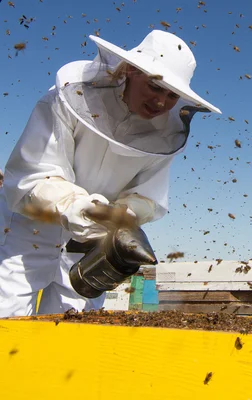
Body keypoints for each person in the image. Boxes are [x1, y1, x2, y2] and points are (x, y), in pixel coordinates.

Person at [0, 30, 221, 318]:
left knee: (72, 332)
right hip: (30, 230)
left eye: (171, 95)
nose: (162, 103)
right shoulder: (67, 98)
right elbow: (36, 174)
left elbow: (148, 196)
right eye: (156, 87)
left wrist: (124, 215)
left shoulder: (165, 136)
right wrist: (87, 211)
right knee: (7, 318)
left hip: (90, 248)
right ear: (131, 70)